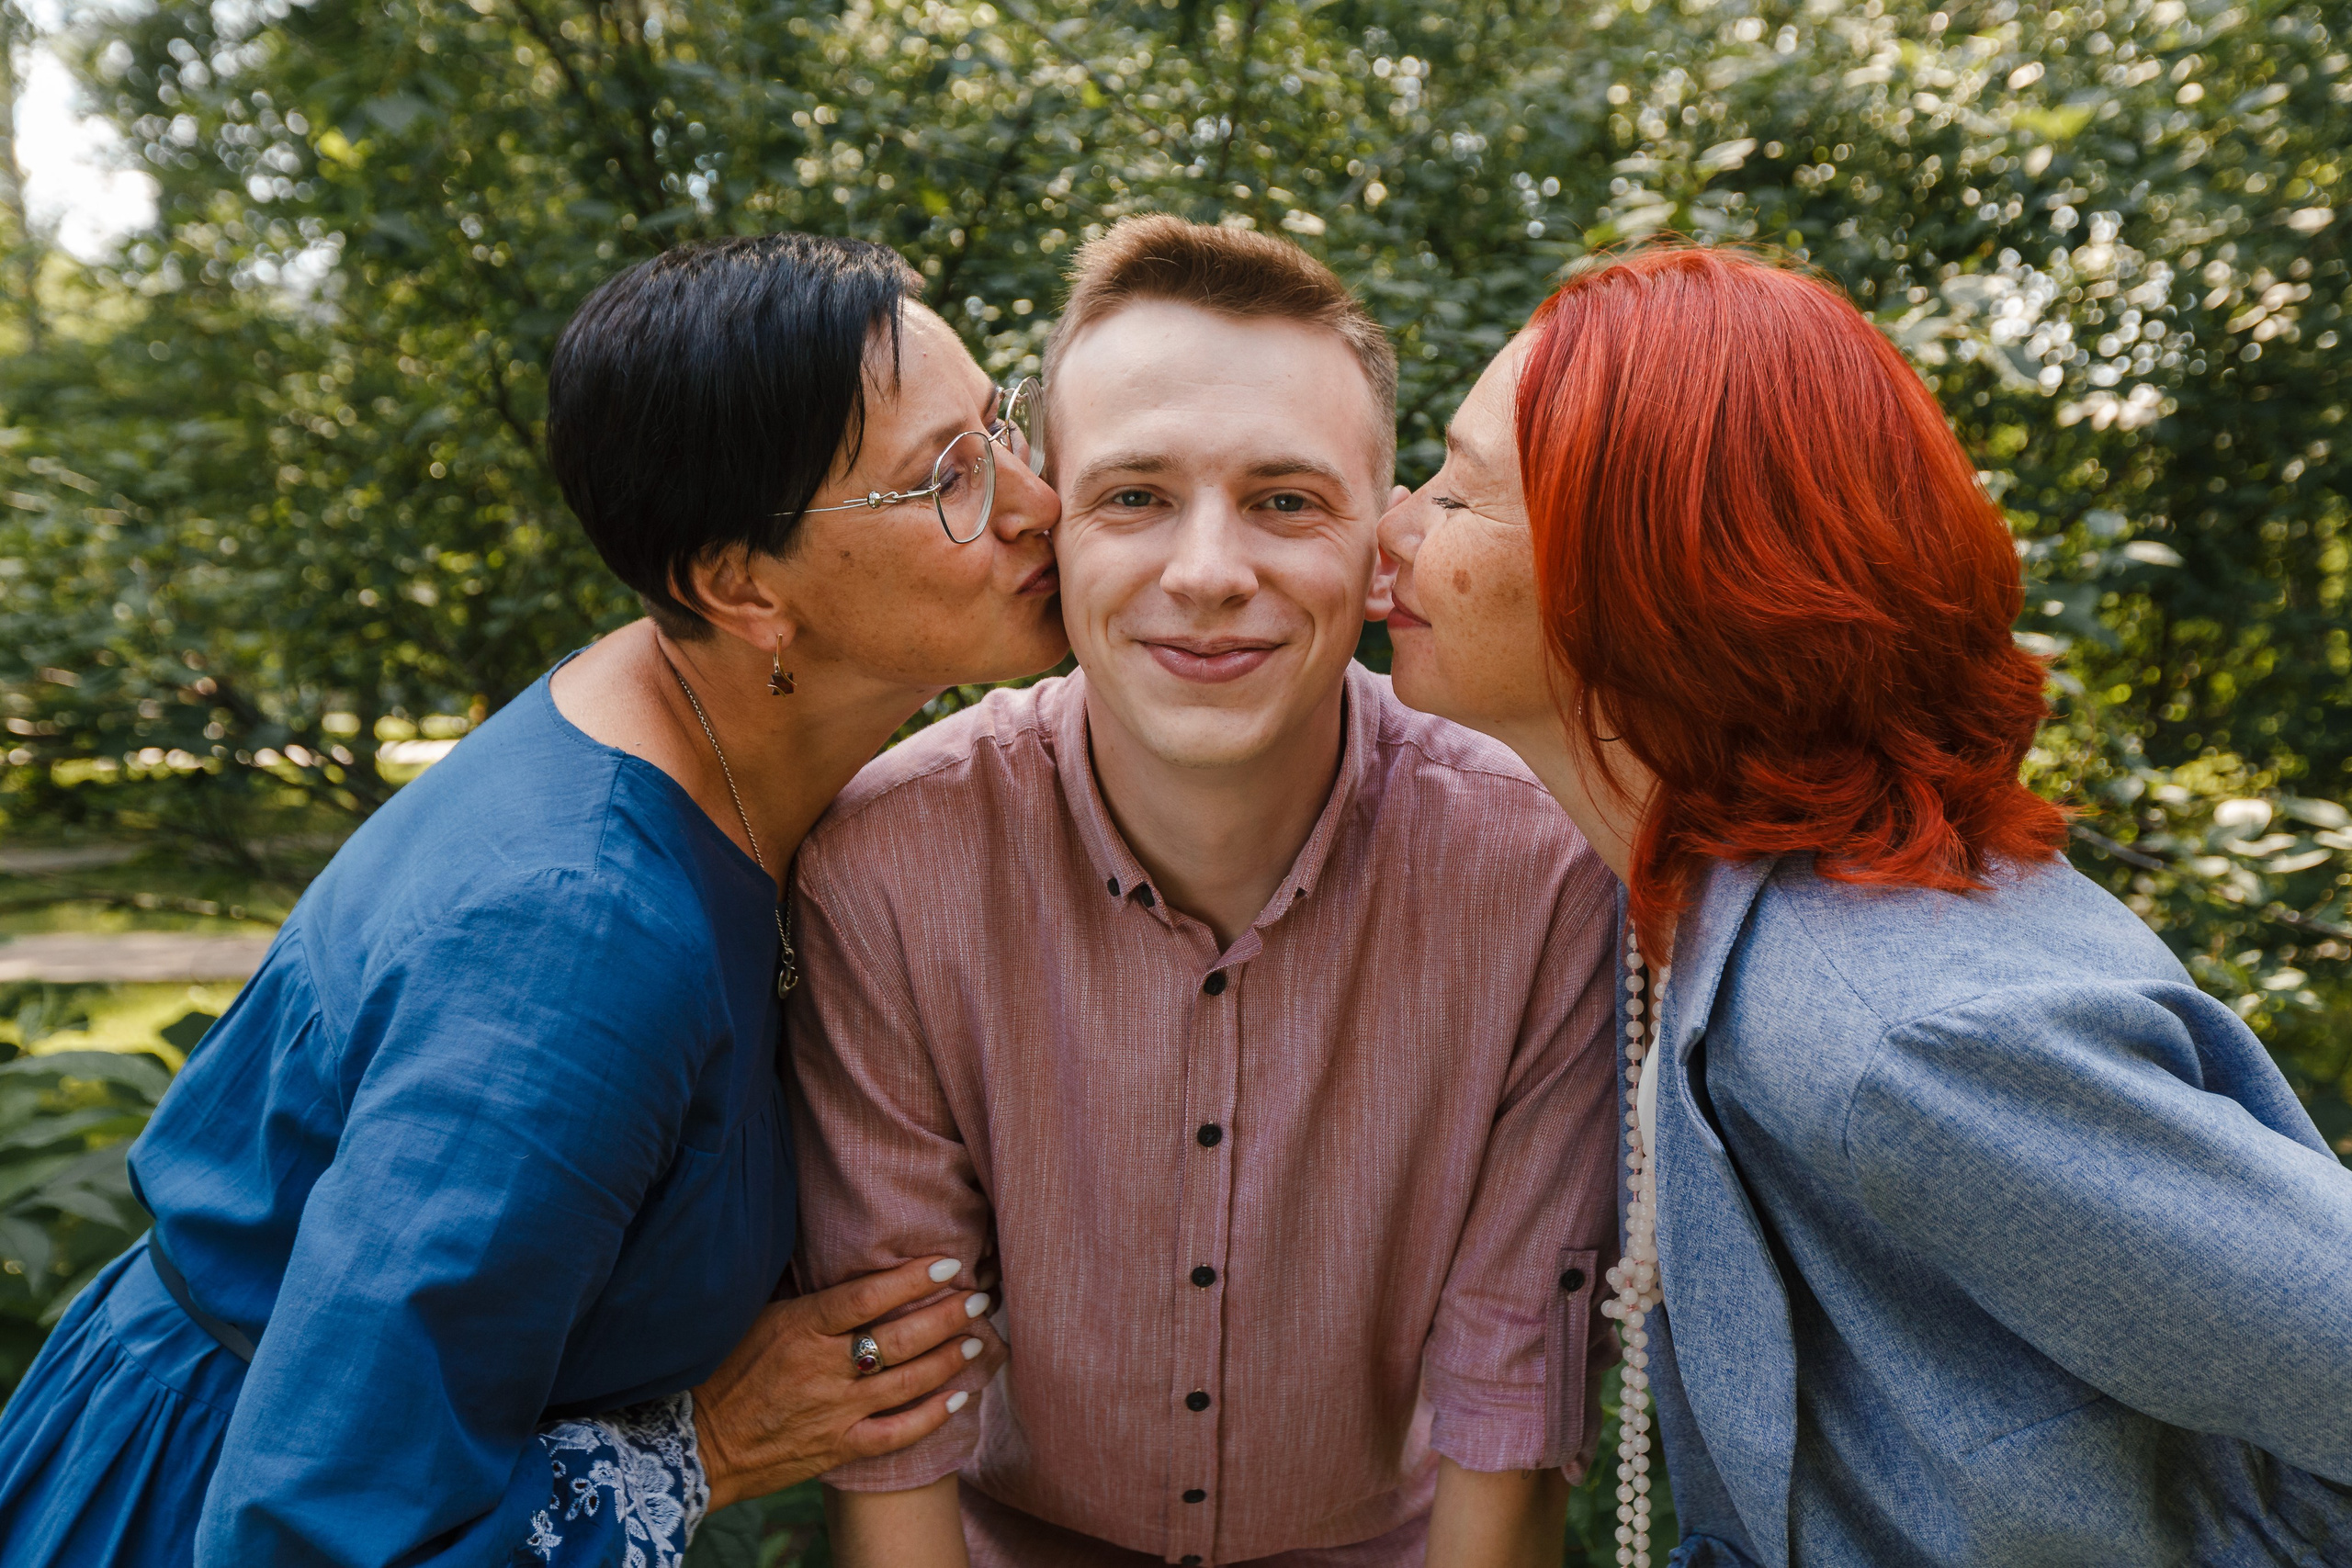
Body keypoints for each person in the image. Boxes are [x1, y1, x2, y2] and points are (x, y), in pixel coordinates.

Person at [0, 232, 1061, 1567]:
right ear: (742, 589)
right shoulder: (576, 939)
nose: (1035, 502)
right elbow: (309, 1529)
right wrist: (709, 1448)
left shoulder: (731, 746)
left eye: (1002, 426)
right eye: (948, 479)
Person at [1376, 243, 2352, 1568]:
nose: (1394, 524)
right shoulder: (1717, 914)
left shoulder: (1892, 1037)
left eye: (1457, 492)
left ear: (1647, 581)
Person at [786, 214, 1621, 1568]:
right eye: (1133, 497)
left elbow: (1508, 1412)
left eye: (1288, 501)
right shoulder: (887, 873)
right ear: (1046, 523)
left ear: (1381, 545)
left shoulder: (1540, 875)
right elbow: (895, 1435)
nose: (1209, 573)